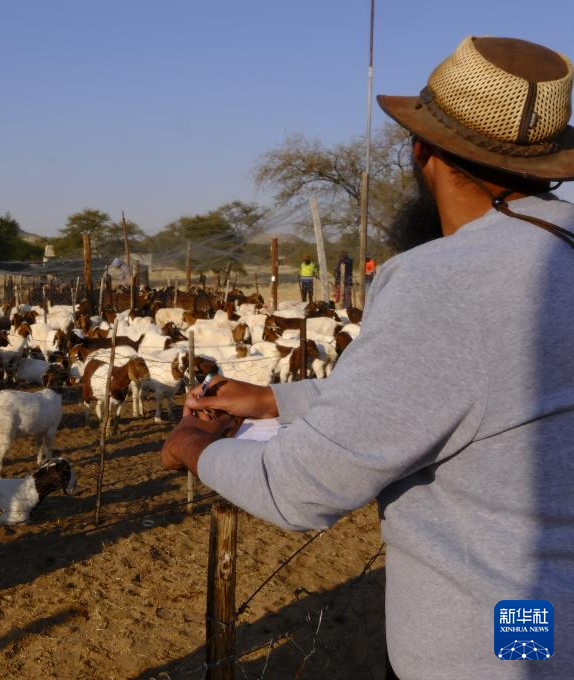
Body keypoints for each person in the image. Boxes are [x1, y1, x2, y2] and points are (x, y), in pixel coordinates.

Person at [162, 35, 574, 680]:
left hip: (500, 634)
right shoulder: (558, 249)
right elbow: (481, 396)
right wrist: (280, 399)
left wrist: (190, 444)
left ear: (422, 153)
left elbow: (297, 491)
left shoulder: (449, 279)